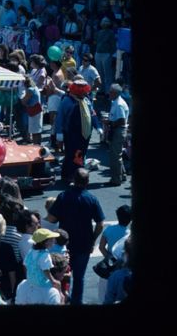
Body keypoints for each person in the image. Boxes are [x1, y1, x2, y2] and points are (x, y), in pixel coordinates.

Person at [45, 168, 105, 304]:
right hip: (84, 245)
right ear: (87, 182)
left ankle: (61, 299)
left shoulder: (63, 196)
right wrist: (93, 240)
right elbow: (100, 224)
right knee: (79, 278)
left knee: (62, 274)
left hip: (63, 244)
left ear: (73, 179)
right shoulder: (92, 199)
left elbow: (51, 218)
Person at [105, 83, 129, 186]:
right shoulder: (115, 102)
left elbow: (122, 121)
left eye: (110, 91)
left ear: (114, 93)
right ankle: (122, 175)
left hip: (118, 131)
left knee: (115, 156)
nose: (108, 93)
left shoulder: (118, 104)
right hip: (117, 130)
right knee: (116, 154)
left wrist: (109, 122)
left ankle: (116, 179)